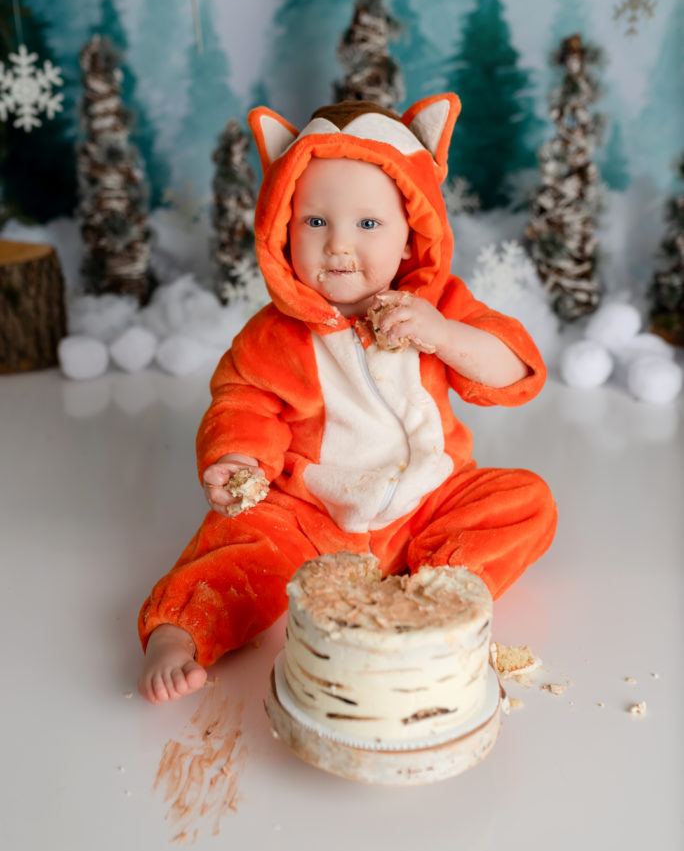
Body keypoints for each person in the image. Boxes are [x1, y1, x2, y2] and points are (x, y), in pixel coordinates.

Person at [138, 95, 557, 704]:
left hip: (428, 504)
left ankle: (436, 589)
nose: (338, 246)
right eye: (315, 222)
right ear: (283, 229)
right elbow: (243, 402)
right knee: (240, 546)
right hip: (315, 515)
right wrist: (237, 462)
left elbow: (515, 368)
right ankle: (179, 632)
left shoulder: (438, 306)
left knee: (526, 502)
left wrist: (442, 334)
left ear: (412, 233)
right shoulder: (276, 336)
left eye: (367, 224)